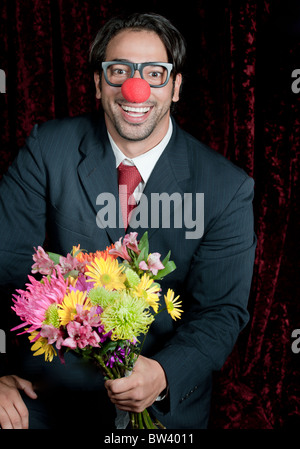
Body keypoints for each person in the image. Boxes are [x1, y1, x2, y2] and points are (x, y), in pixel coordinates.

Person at [0, 12, 256, 429]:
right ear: (99, 83)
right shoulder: (48, 149)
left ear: (175, 87)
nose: (135, 88)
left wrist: (164, 374)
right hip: (47, 396)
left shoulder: (226, 187)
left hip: (159, 412)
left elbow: (221, 311)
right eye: (119, 70)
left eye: (155, 73)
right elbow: (4, 266)